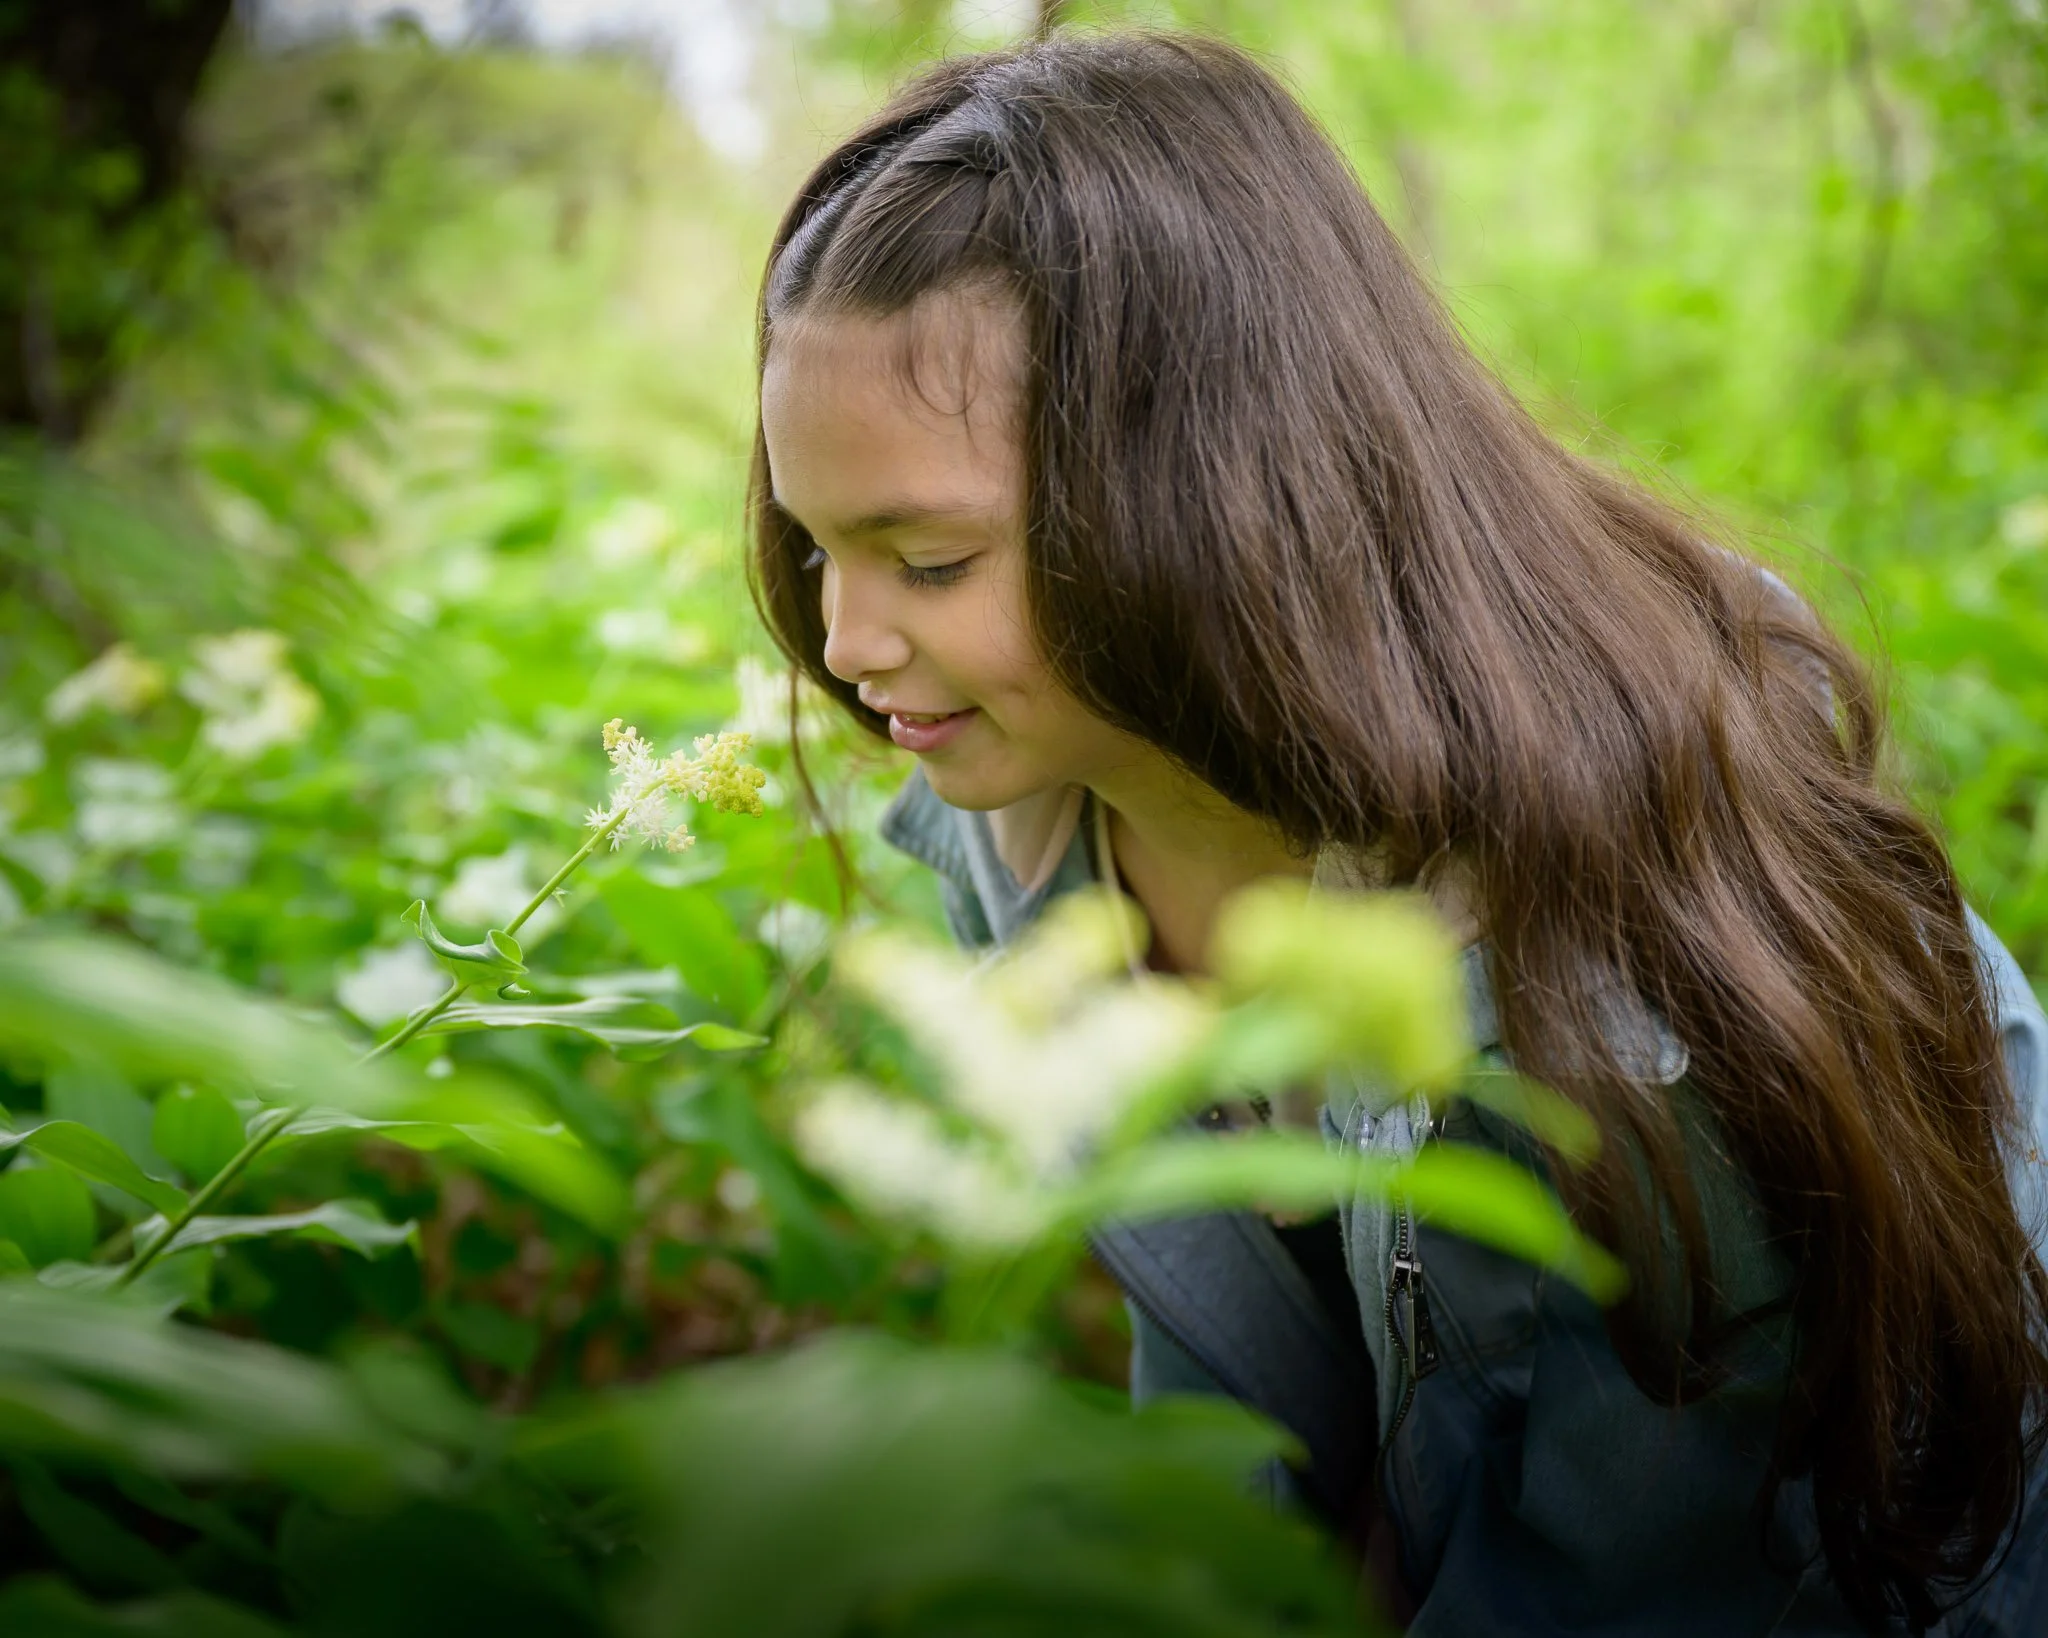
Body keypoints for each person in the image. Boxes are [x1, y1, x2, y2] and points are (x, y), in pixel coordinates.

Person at [745, 29, 2048, 1636]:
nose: (849, 642)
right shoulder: (1028, 834)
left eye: (926, 561)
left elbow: (1647, 1582)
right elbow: (1232, 1405)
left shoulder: (1618, 943)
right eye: (815, 547)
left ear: (1199, 490)